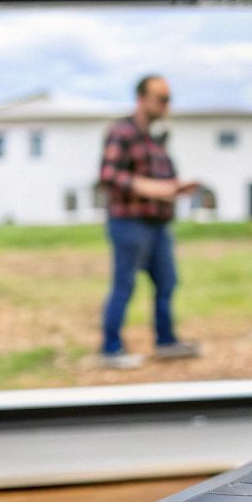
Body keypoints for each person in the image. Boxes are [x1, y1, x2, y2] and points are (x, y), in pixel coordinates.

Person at [96, 74, 203, 370]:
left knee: (167, 283)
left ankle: (166, 341)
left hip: (158, 226)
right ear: (141, 98)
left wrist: (175, 188)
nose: (167, 104)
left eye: (169, 98)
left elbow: (161, 181)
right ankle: (110, 348)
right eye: (162, 98)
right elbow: (108, 175)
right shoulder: (122, 131)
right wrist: (152, 188)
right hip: (129, 223)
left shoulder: (155, 139)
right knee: (124, 285)